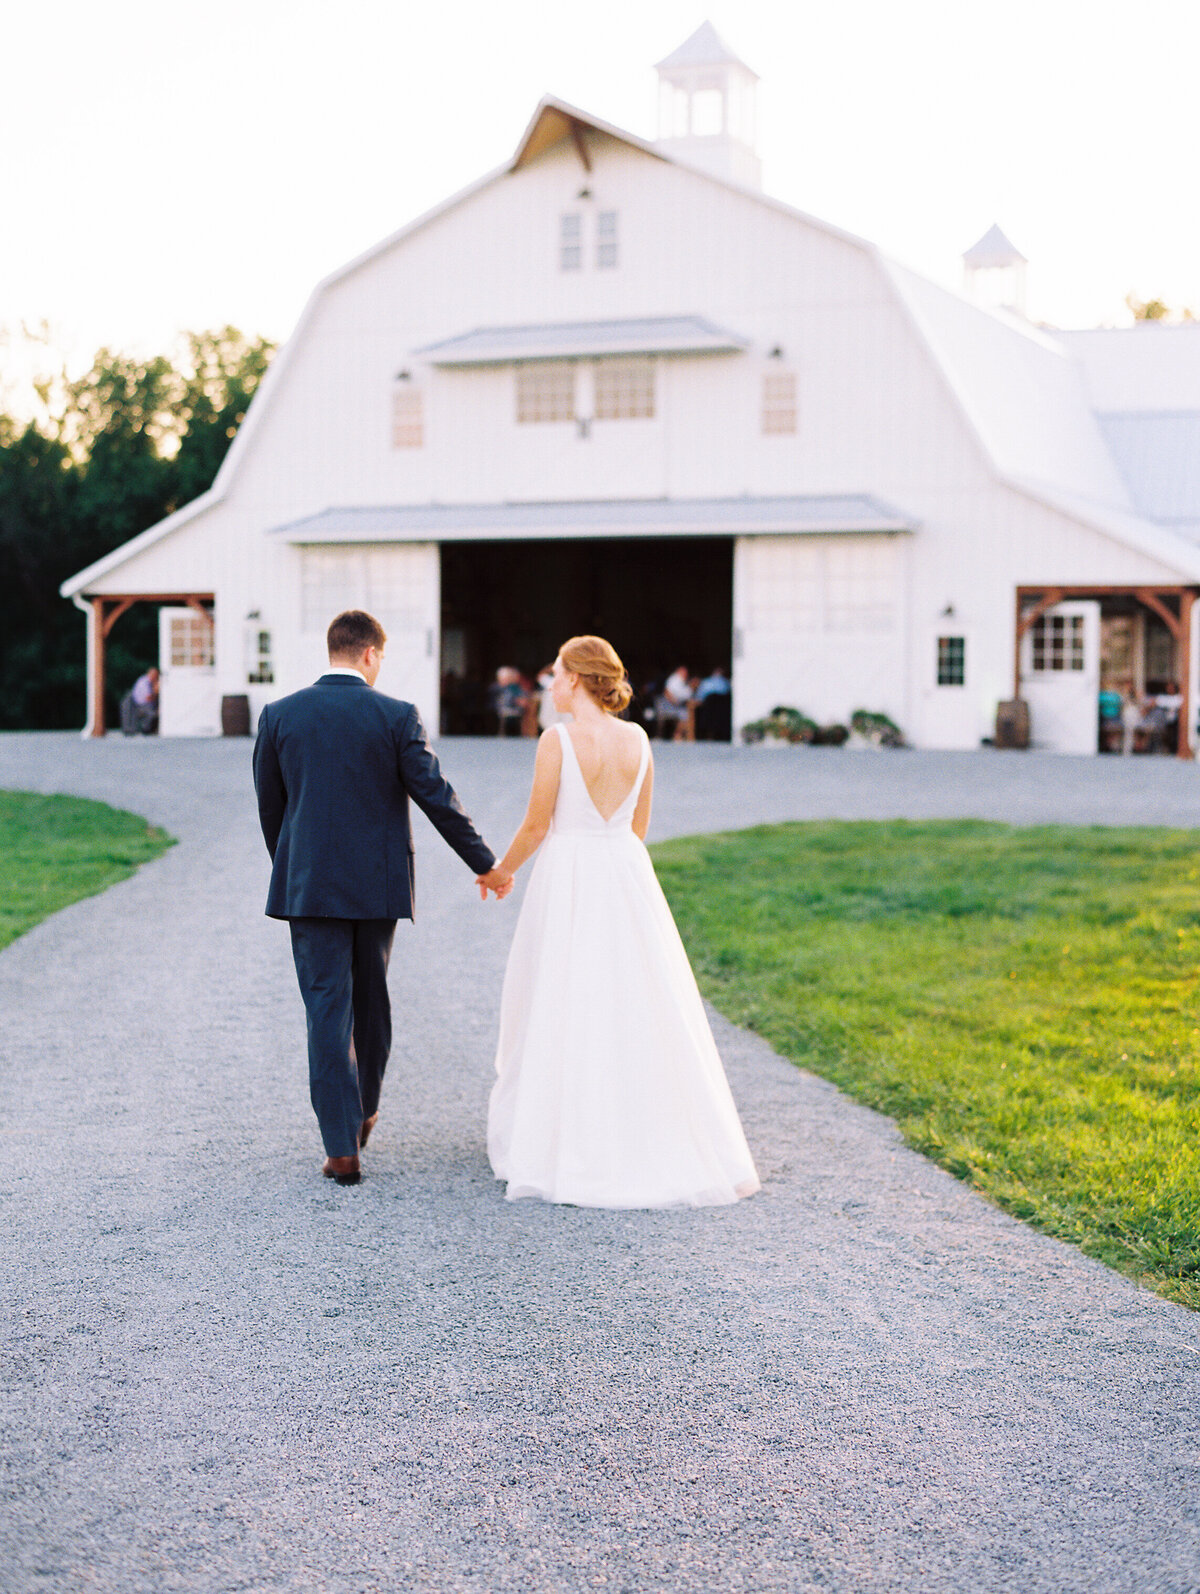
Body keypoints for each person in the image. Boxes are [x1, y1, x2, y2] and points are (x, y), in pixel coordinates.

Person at [484, 634, 760, 1208]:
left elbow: (537, 826)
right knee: (636, 999)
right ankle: (649, 1128)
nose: (551, 683)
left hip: (570, 876)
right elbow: (639, 826)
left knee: (564, 995)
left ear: (580, 679)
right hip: (625, 875)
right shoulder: (639, 739)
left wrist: (499, 872)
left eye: (558, 673)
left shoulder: (555, 741)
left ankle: (570, 1135)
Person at [253, 609, 512, 1186]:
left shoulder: (279, 716)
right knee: (371, 1003)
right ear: (370, 654)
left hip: (309, 887)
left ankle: (340, 1147)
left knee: (326, 1009)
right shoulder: (396, 715)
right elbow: (436, 797)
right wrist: (487, 865)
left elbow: (272, 809)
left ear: (334, 650)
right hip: (377, 888)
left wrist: (297, 871)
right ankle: (364, 1109)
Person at [125, 667, 159, 734]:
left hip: (144, 704)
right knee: (153, 713)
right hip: (141, 705)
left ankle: (150, 729)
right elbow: (148, 698)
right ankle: (146, 730)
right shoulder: (144, 682)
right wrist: (156, 691)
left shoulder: (147, 681)